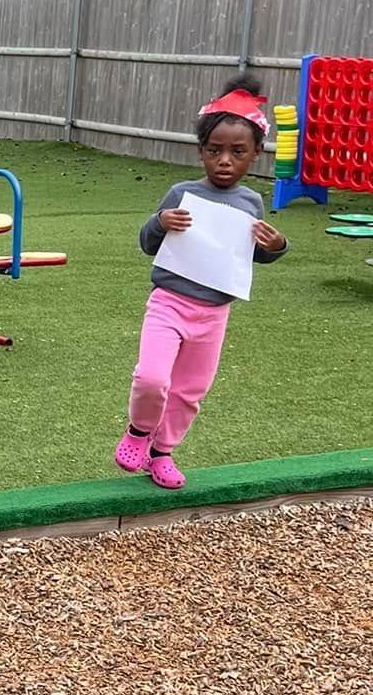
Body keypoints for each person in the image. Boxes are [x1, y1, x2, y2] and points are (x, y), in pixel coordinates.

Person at [114, 74, 288, 489]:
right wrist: (160, 222)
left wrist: (276, 244)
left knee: (190, 391)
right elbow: (147, 243)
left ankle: (162, 453)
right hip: (169, 302)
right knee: (153, 378)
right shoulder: (181, 193)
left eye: (237, 152)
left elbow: (247, 257)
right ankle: (139, 431)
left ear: (255, 155)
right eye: (215, 151)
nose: (225, 160)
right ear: (201, 153)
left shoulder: (251, 202)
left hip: (214, 313)